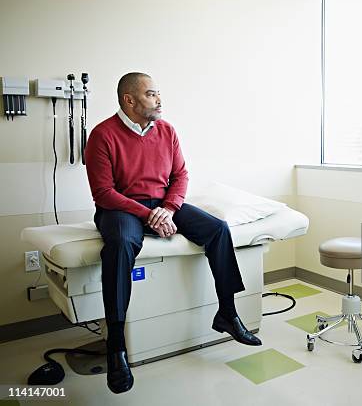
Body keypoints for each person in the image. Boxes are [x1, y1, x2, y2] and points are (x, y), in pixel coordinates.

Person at [84, 72, 261, 395]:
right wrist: (148, 214)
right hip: (120, 208)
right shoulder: (102, 134)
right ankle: (116, 344)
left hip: (162, 203)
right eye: (152, 94)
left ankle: (227, 312)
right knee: (122, 243)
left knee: (217, 229)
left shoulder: (167, 131)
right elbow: (103, 193)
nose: (159, 100)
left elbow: (180, 175)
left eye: (158, 93)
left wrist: (168, 207)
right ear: (130, 100)